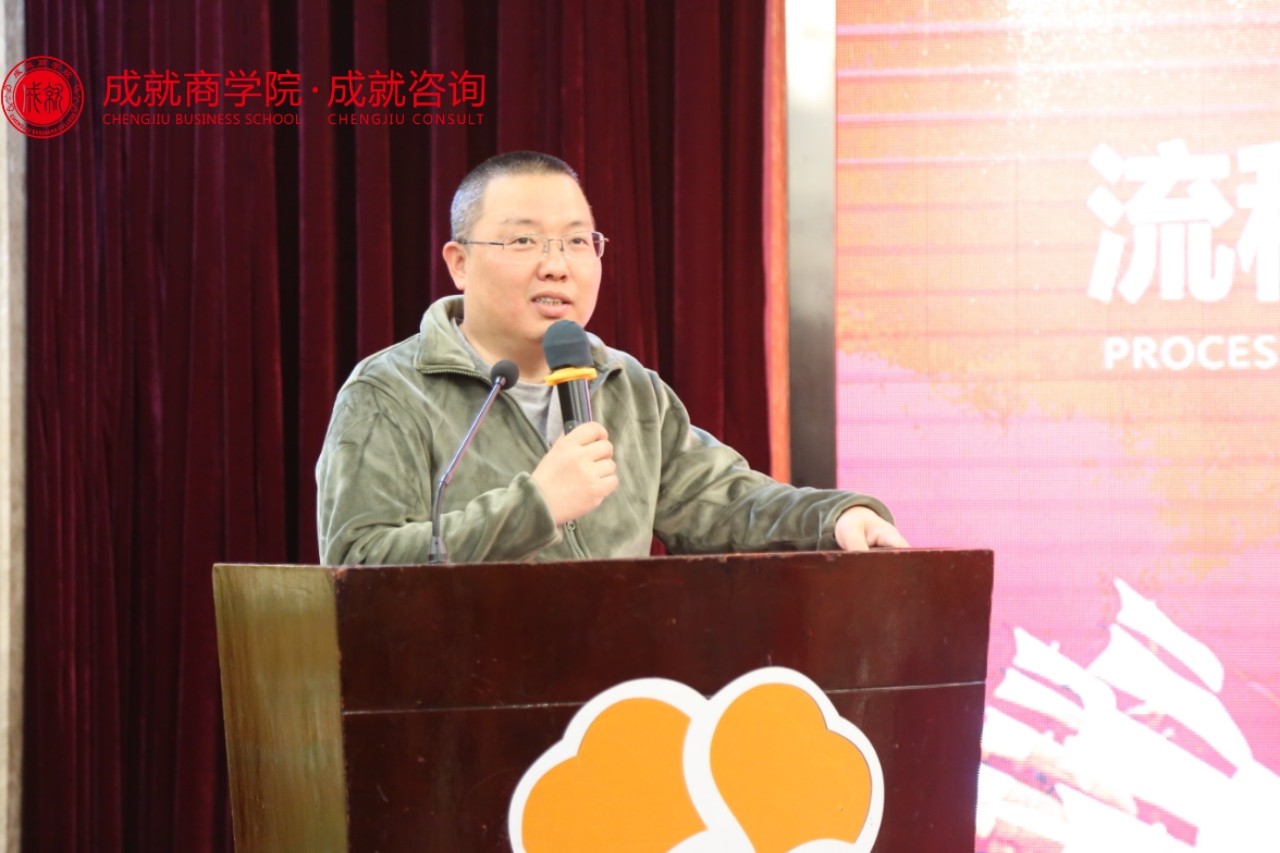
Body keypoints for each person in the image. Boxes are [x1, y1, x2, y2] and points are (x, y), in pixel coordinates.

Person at [315, 151, 908, 565]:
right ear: (459, 263)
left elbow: (725, 504)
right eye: (524, 241)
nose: (557, 265)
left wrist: (835, 519)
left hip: (617, 695)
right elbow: (359, 560)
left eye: (578, 241)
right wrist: (535, 507)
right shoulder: (391, 392)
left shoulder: (628, 387)